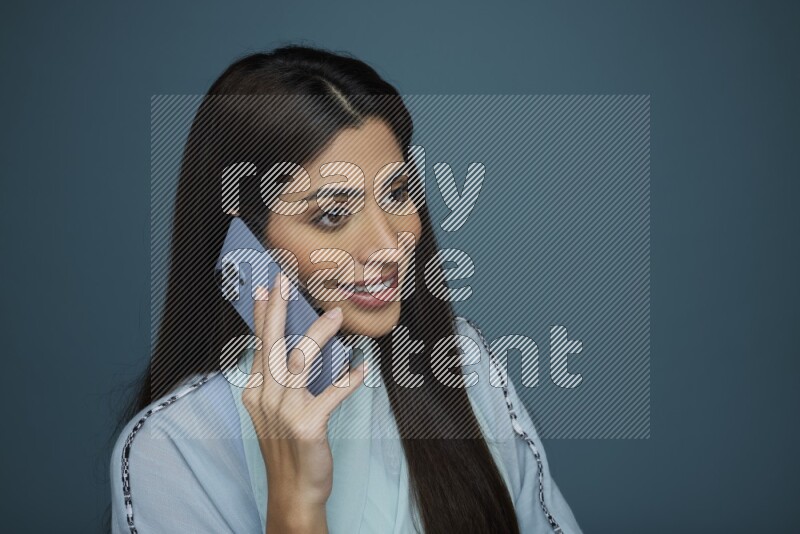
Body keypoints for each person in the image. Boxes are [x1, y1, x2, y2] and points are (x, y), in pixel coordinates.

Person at [109, 45, 583, 534]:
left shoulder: (462, 361)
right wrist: (295, 506)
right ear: (244, 244)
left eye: (397, 194)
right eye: (332, 215)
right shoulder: (168, 449)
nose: (389, 247)